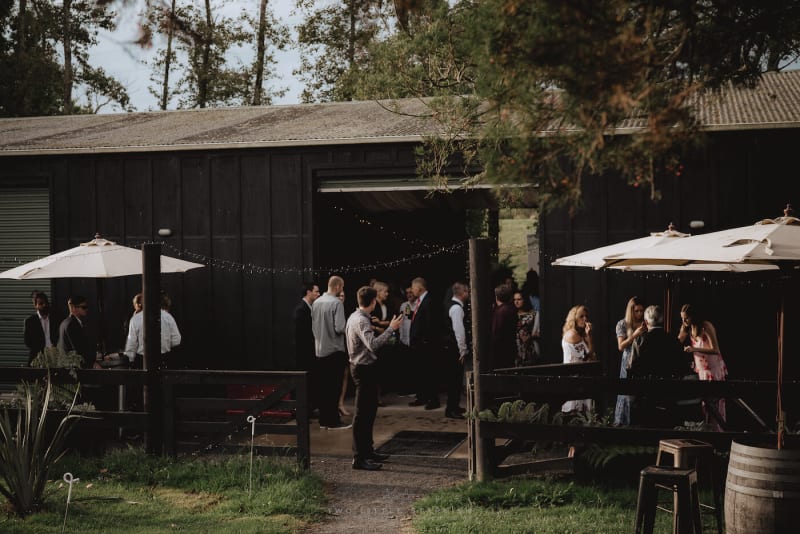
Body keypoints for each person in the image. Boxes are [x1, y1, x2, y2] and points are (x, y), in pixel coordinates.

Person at [346, 285, 403, 471]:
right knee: (362, 414)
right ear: (373, 302)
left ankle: (368, 451)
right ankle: (359, 457)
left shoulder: (356, 317)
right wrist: (391, 329)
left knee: (369, 412)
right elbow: (373, 345)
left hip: (364, 368)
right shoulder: (361, 320)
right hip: (363, 369)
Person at [629, 305, 691, 426]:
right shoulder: (673, 340)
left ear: (646, 322)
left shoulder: (640, 340)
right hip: (668, 394)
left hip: (646, 395)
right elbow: (682, 367)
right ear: (661, 320)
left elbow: (632, 368)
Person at [679, 303, 728, 431]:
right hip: (702, 372)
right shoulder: (689, 328)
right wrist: (682, 333)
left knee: (715, 407)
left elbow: (715, 350)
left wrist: (694, 349)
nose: (684, 321)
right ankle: (708, 435)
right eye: (682, 318)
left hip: (713, 370)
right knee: (705, 406)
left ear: (693, 316)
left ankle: (719, 435)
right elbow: (678, 341)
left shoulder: (706, 326)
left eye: (686, 318)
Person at [311, 275, 351, 430]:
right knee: (334, 388)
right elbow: (340, 328)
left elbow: (314, 326)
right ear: (338, 286)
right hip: (334, 350)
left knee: (323, 388)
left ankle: (324, 420)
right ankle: (333, 421)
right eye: (342, 287)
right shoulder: (337, 303)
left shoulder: (316, 302)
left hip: (320, 350)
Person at [124, 291, 181, 369]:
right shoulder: (168, 317)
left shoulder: (135, 319)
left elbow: (131, 344)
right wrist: (165, 345)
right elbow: (177, 340)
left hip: (142, 361)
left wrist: (131, 361)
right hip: (163, 360)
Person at [408, 277, 442, 410]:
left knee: (429, 373)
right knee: (421, 372)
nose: (411, 290)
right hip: (419, 345)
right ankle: (422, 397)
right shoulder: (420, 301)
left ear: (419, 288)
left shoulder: (429, 301)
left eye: (413, 287)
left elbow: (430, 324)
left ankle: (433, 400)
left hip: (426, 345)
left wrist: (424, 341)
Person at [613, 296, 646, 426]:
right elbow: (620, 346)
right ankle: (623, 423)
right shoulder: (623, 324)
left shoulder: (645, 323)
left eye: (641, 311)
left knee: (641, 393)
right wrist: (634, 335)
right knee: (626, 393)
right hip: (628, 361)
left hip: (642, 361)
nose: (639, 314)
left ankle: (639, 424)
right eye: (636, 311)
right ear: (631, 311)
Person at [561, 305, 596, 413]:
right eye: (581, 316)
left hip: (581, 378)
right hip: (575, 379)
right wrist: (589, 337)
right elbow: (588, 357)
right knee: (576, 413)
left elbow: (592, 358)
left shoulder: (580, 334)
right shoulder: (572, 334)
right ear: (574, 318)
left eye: (586, 316)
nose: (585, 319)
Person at [443, 282, 470, 419]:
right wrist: (462, 350)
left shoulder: (452, 305)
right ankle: (451, 409)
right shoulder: (456, 308)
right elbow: (459, 331)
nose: (468, 294)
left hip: (451, 347)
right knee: (455, 379)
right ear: (462, 293)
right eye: (467, 291)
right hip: (454, 348)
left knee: (455, 378)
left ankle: (454, 405)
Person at [58, 295, 97, 368]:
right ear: (73, 308)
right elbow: (79, 350)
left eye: (86, 307)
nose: (86, 309)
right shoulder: (71, 324)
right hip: (75, 368)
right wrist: (93, 364)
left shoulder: (65, 322)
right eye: (83, 307)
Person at [23, 291, 58, 364]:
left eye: (46, 303)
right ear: (35, 305)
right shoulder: (30, 321)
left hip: (54, 356)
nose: (44, 305)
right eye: (41, 303)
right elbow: (28, 342)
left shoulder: (55, 319)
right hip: (38, 357)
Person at [491, 284, 518, 370]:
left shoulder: (499, 312)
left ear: (496, 297)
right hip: (510, 347)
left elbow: (496, 333)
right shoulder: (512, 309)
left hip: (500, 350)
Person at [513, 291, 538, 367]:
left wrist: (530, 337)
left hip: (529, 347)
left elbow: (539, 331)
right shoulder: (511, 314)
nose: (516, 302)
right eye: (514, 300)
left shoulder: (533, 314)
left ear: (524, 300)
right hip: (515, 347)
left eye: (519, 299)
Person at [337, 289, 352, 417]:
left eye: (343, 295)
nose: (341, 298)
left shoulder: (346, 310)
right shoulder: (332, 309)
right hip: (335, 347)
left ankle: (341, 403)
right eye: (339, 296)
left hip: (346, 346)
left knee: (345, 375)